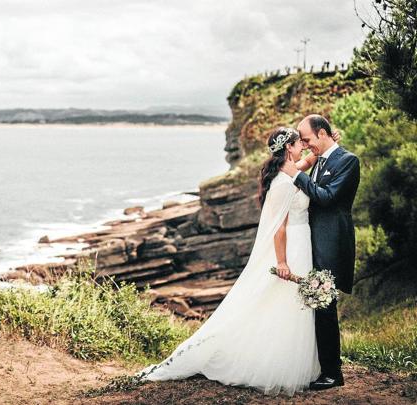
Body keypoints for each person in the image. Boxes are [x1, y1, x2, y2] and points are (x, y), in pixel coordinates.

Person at [135, 127, 322, 396]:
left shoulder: (291, 172)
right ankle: (277, 364)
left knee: (294, 302)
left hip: (302, 242)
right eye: (298, 143)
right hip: (291, 246)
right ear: (288, 148)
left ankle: (295, 361)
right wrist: (282, 262)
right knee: (286, 300)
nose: (303, 146)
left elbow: (305, 163)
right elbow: (279, 228)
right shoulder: (283, 182)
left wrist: (322, 148)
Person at [281, 114, 360, 390]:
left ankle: (332, 373)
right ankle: (319, 365)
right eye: (301, 140)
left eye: (307, 139)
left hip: (331, 244)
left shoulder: (348, 161)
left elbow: (326, 197)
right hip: (310, 244)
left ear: (323, 134)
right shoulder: (320, 159)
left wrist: (297, 176)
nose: (304, 144)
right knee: (315, 305)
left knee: (325, 306)